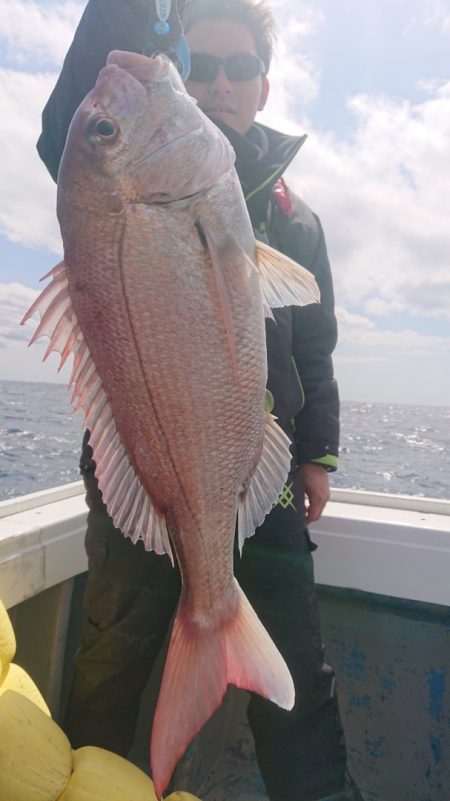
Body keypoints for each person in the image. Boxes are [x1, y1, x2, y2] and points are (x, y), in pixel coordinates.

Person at [37, 2, 363, 799]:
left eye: (237, 67)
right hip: (140, 485)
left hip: (267, 478)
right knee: (111, 665)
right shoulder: (115, 173)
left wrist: (317, 449)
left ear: (263, 84)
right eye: (199, 65)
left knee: (299, 693)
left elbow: (315, 346)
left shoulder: (295, 218)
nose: (217, 83)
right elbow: (75, 124)